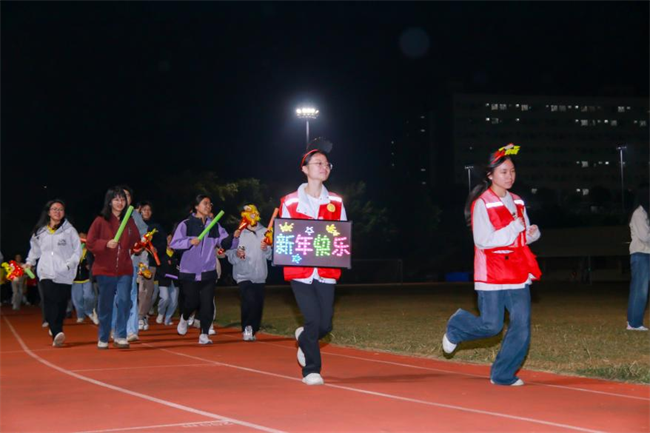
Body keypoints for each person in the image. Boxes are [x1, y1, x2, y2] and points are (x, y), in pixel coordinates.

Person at [442, 144, 541, 387]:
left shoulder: (517, 201)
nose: (510, 176)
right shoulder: (482, 203)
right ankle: (456, 328)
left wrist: (531, 233)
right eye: (504, 172)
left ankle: (503, 374)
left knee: (522, 325)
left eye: (512, 171)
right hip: (492, 272)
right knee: (491, 326)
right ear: (490, 175)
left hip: (517, 271)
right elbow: (483, 241)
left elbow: (520, 235)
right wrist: (515, 228)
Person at [279, 138, 347, 386]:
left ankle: (305, 338)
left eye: (327, 164)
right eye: (318, 163)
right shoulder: (290, 201)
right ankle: (311, 370)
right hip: (300, 270)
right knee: (312, 319)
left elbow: (341, 234)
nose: (324, 167)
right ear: (304, 169)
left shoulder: (336, 201)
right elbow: (286, 234)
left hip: (326, 270)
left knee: (325, 324)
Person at [170, 194, 239, 344]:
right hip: (189, 271)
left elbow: (224, 243)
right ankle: (185, 317)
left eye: (210, 204)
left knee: (207, 304)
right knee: (192, 302)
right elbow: (174, 244)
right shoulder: (186, 224)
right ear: (196, 206)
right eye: (205, 203)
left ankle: (204, 334)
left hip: (208, 271)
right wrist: (189, 241)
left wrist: (234, 237)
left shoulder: (214, 225)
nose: (208, 206)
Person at [87, 186, 141, 349]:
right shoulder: (100, 220)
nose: (120, 202)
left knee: (124, 301)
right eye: (116, 199)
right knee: (106, 304)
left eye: (122, 199)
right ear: (109, 202)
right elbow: (90, 242)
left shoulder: (129, 221)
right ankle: (103, 337)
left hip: (124, 268)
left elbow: (136, 241)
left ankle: (120, 335)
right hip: (104, 269)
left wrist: (139, 245)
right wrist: (105, 244)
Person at [25, 200, 82, 347]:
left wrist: (68, 265)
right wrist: (30, 262)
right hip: (45, 272)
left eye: (60, 209)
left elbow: (77, 251)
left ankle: (55, 326)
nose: (57, 212)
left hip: (64, 272)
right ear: (48, 212)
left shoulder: (69, 231)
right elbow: (35, 250)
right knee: (49, 300)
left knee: (61, 303)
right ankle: (57, 331)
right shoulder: (40, 232)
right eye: (54, 209)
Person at [226, 204, 272, 341]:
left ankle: (253, 328)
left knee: (258, 304)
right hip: (243, 275)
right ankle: (247, 327)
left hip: (260, 275)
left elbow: (271, 256)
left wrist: (266, 249)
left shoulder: (265, 231)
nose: (251, 215)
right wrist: (237, 254)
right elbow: (230, 255)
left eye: (253, 213)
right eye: (248, 213)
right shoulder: (238, 233)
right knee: (248, 300)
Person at [137, 201, 166, 331]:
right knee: (136, 290)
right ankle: (135, 315)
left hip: (149, 263)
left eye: (149, 210)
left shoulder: (156, 227)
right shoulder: (134, 225)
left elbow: (163, 243)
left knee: (147, 290)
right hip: (135, 261)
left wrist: (156, 249)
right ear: (139, 211)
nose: (146, 212)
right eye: (144, 209)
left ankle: (141, 316)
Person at [627, 183, 650, 331]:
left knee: (641, 289)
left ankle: (634, 322)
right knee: (639, 289)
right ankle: (634, 323)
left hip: (645, 253)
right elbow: (644, 236)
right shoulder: (639, 213)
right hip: (641, 253)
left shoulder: (645, 213)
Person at [71, 232, 98, 325]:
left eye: (83, 237)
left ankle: (89, 311)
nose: (81, 239)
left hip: (87, 278)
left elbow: (95, 261)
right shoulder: (72, 251)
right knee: (77, 299)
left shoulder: (90, 251)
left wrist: (90, 266)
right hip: (75, 279)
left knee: (89, 296)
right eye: (79, 237)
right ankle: (80, 315)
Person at [156, 234, 179, 326]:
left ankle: (168, 318)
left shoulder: (177, 254)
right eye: (169, 240)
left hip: (175, 281)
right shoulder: (161, 253)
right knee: (165, 298)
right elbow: (157, 267)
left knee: (174, 302)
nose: (170, 242)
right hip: (163, 280)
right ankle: (161, 313)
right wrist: (163, 274)